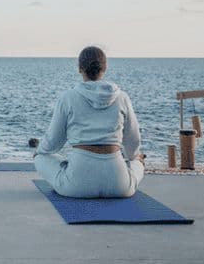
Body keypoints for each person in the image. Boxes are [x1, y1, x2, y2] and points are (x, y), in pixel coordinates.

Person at [34, 46, 143, 197]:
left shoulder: (68, 97)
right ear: (105, 68)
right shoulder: (122, 97)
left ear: (80, 69)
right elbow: (133, 140)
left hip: (76, 185)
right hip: (119, 185)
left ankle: (67, 167)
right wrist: (134, 157)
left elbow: (53, 142)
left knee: (40, 157)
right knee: (137, 161)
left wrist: (39, 151)